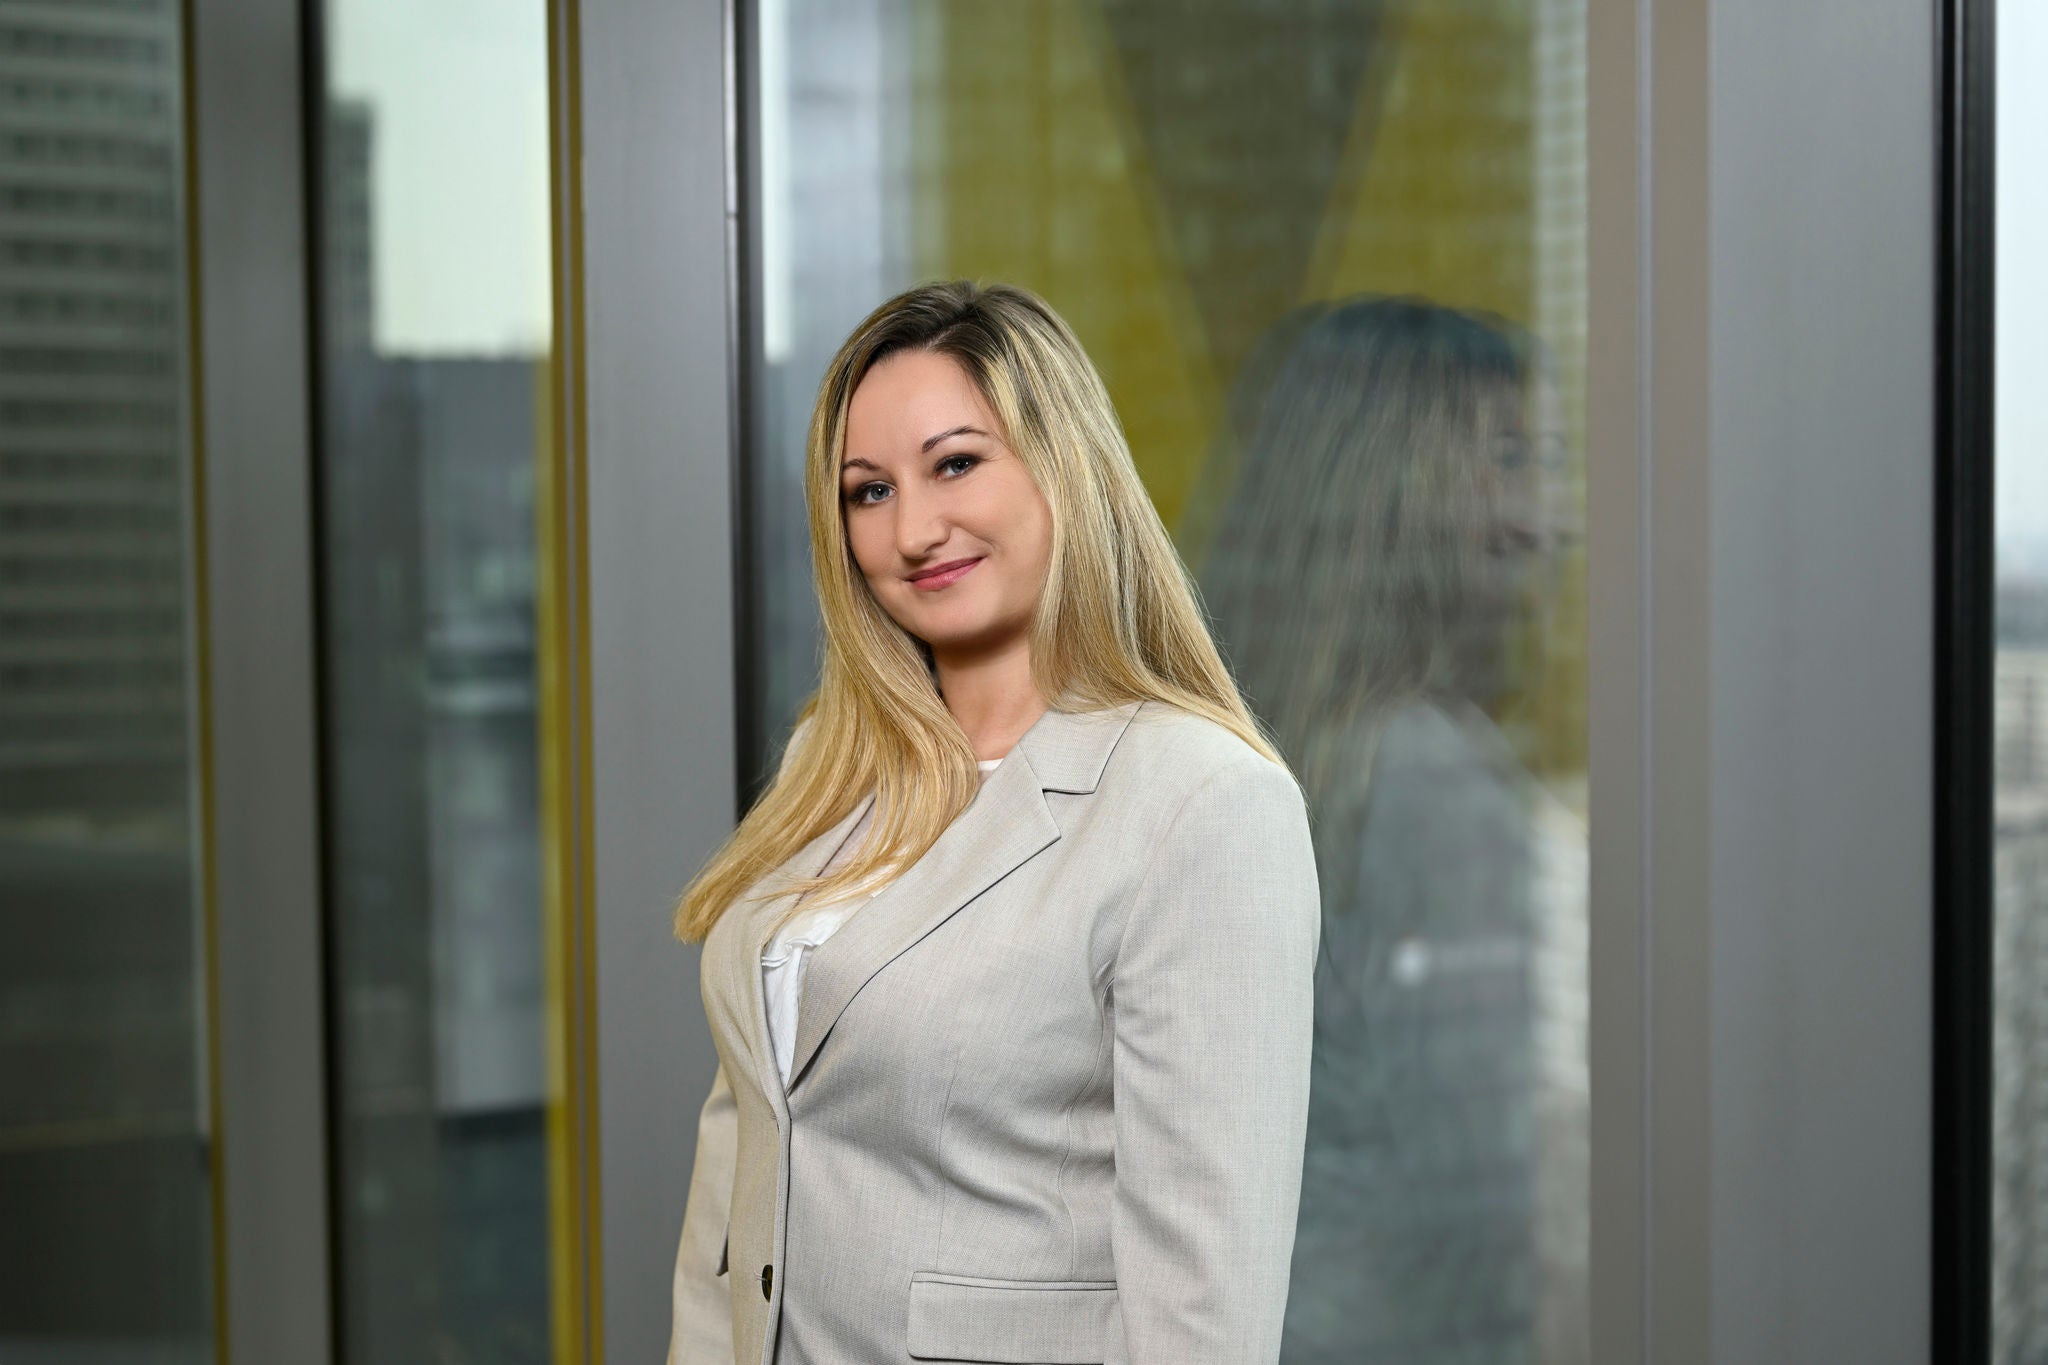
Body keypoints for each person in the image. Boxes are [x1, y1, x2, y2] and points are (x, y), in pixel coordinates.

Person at [665, 280, 1322, 1365]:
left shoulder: (1199, 802)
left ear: (1061, 465)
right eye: (868, 491)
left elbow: (1204, 1306)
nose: (913, 530)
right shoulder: (830, 762)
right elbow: (738, 1170)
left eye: (956, 464)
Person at [1189, 296, 1587, 1363]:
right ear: (1394, 491)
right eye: (1510, 460)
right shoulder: (1421, 780)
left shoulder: (1244, 760)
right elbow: (1489, 1216)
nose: (1550, 518)